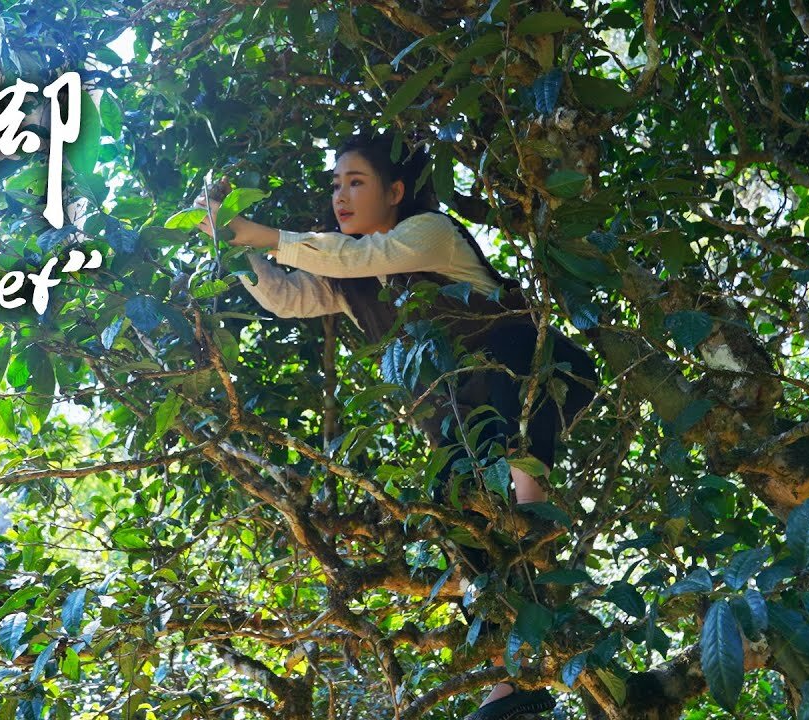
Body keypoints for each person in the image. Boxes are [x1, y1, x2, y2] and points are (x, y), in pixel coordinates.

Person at [193, 131, 598, 720]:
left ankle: (533, 517)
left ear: (397, 191)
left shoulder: (429, 233)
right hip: (463, 420)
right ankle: (515, 679)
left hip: (539, 377)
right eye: (336, 185)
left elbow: (360, 254)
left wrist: (267, 235)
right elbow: (285, 296)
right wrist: (234, 243)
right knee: (458, 514)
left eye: (356, 182)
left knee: (507, 428)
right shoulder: (353, 279)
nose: (341, 196)